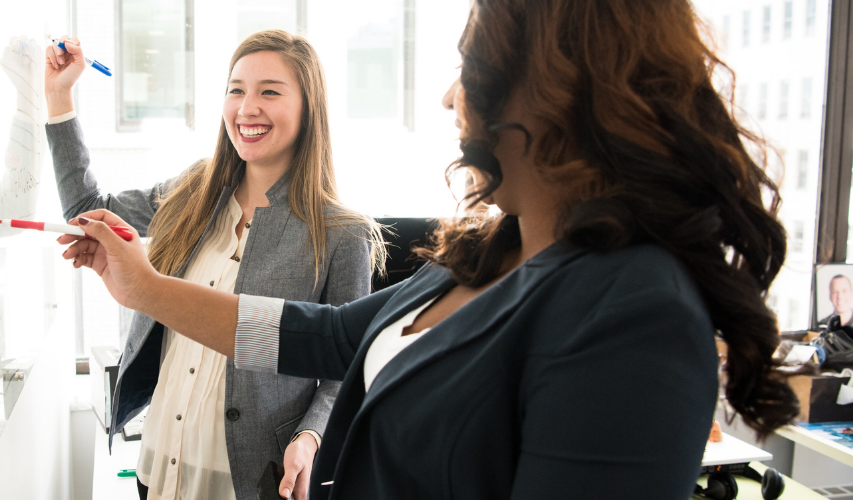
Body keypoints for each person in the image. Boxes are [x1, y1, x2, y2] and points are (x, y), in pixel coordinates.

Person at [57, 1, 801, 499]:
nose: (449, 98)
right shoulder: (485, 254)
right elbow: (330, 336)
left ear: (552, 88)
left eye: (467, 66)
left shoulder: (632, 308)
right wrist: (145, 289)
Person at [43, 30, 383, 500]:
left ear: (309, 107)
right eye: (236, 90)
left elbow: (348, 367)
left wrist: (312, 437)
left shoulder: (342, 233)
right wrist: (59, 95)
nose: (247, 108)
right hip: (158, 466)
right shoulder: (195, 191)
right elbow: (87, 206)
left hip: (248, 480)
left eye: (269, 91)